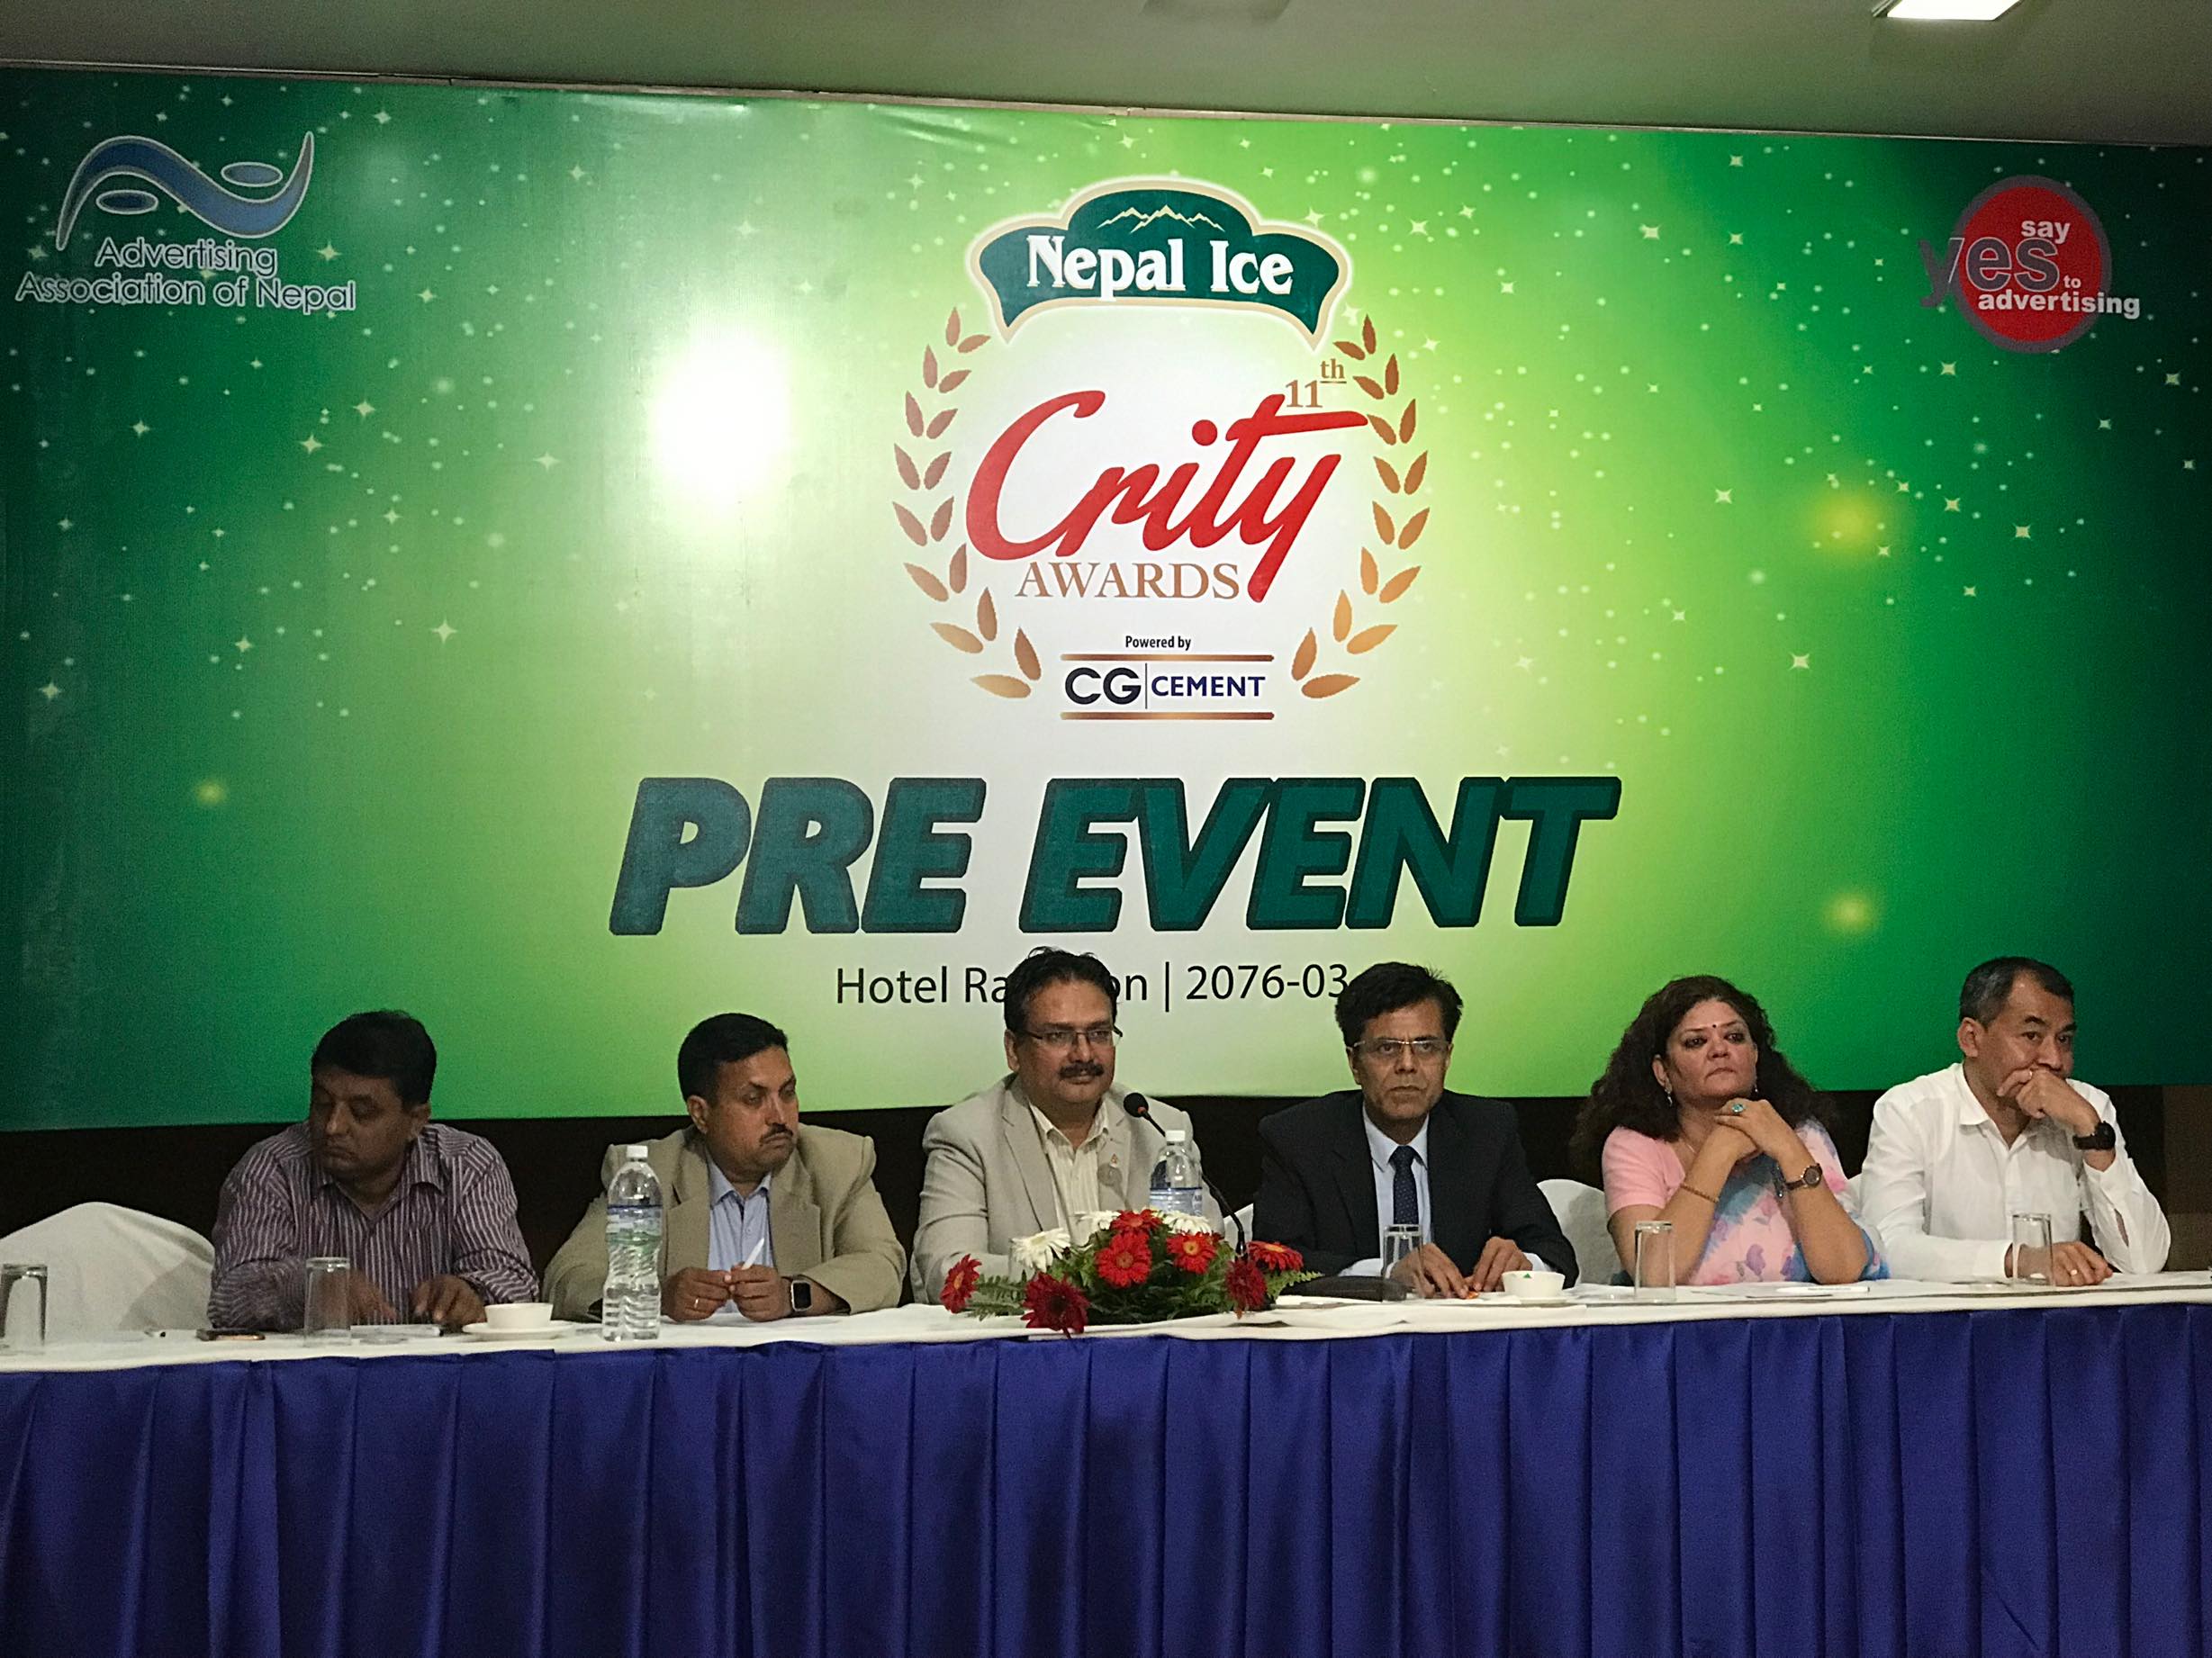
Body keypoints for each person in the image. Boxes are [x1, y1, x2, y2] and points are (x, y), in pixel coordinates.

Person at [545, 1013, 904, 1322]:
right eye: (754, 1099)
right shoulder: (649, 1173)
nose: (780, 1116)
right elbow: (567, 1279)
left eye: (787, 1093)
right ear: (701, 1114)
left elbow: (882, 1265)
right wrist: (658, 1296)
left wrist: (793, 1295)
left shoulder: (838, 1162)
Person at [910, 948, 1218, 1303]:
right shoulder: (967, 1135)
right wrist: (1085, 1280)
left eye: (1099, 1033)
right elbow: (949, 1272)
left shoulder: (1159, 1128)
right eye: (1059, 1036)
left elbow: (1209, 1254)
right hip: (1026, 1335)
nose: (1083, 1054)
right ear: (1013, 1050)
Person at [1253, 962, 1573, 1295]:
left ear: (1447, 1057)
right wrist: (1386, 1273)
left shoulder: (1486, 1131)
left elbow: (1555, 1253)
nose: (1407, 1065)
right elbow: (1271, 1265)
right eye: (1387, 1048)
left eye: (1426, 1047)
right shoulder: (1299, 1138)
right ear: (1354, 1062)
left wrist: (1522, 1265)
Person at [207, 1011, 537, 1329]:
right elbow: (229, 1298)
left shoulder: (466, 1164)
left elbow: (514, 1282)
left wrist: (470, 1295)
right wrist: (310, 1288)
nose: (333, 1126)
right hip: (318, 1366)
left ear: (416, 1121)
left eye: (362, 1111)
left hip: (438, 1366)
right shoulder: (272, 1168)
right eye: (322, 1103)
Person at [1856, 957, 2168, 1284]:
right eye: (2032, 1036)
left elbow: (2144, 1262)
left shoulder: (2086, 1109)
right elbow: (1888, 1249)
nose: (2054, 1060)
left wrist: (2092, 1134)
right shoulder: (1909, 1111)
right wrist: (2018, 1260)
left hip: (2058, 1315)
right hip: (1951, 1316)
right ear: (1971, 1039)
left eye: (2064, 1039)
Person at [1572, 976, 1881, 1286]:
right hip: (1683, 1319)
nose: (1719, 1049)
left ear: (1755, 1055)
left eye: (1734, 1037)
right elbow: (1653, 1275)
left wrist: (1789, 1150)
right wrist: (1719, 1152)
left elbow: (1844, 1270)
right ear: (1663, 1072)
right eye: (1696, 1042)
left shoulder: (1800, 1133)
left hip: (1796, 1318)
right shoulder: (1635, 1145)